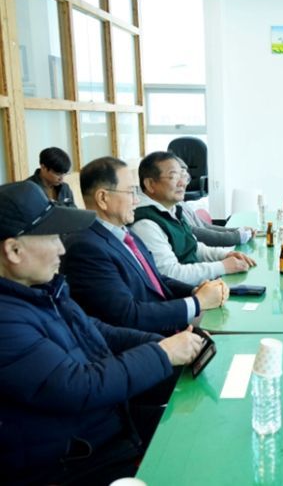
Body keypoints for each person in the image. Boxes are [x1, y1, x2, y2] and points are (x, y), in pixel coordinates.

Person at [0, 180, 204, 484]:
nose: (61, 248)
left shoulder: (44, 290)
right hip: (74, 461)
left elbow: (96, 331)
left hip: (109, 424)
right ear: (13, 250)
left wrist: (163, 343)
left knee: (204, 428)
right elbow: (77, 386)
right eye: (53, 237)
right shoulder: (6, 320)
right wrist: (162, 354)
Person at [62, 157, 230, 334]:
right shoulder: (85, 248)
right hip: (151, 339)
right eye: (130, 192)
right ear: (103, 198)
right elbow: (127, 316)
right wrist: (197, 303)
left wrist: (195, 291)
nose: (136, 201)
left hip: (170, 324)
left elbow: (155, 279)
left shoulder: (123, 232)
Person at [131, 151, 256, 286]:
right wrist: (222, 266)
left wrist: (225, 255)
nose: (182, 183)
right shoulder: (145, 224)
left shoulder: (172, 210)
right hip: (184, 294)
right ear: (150, 184)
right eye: (173, 176)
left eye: (183, 176)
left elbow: (194, 247)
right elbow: (171, 274)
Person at [173, 157, 256, 247]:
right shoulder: (172, 212)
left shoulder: (181, 204)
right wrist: (237, 236)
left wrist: (238, 230)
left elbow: (204, 225)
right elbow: (195, 232)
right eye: (175, 177)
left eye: (185, 177)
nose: (183, 183)